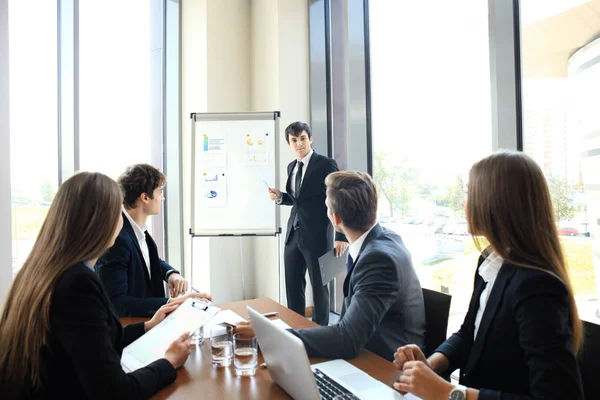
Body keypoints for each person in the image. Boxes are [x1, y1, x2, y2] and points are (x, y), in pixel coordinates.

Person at [393, 152, 584, 400]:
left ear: (497, 202)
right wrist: (430, 365)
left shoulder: (537, 286)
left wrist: (450, 393)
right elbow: (468, 334)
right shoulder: (490, 261)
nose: (464, 203)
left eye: (470, 193)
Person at [0, 172, 192, 399]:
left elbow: (93, 341)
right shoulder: (78, 282)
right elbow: (115, 391)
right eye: (116, 212)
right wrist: (169, 362)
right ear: (101, 221)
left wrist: (147, 326)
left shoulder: (42, 269)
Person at [273, 170, 426, 361]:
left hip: (387, 367)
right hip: (366, 349)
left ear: (335, 219)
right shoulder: (385, 238)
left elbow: (348, 339)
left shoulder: (378, 260)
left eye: (327, 207)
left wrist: (275, 337)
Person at [96, 164, 210, 317]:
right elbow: (117, 303)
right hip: (131, 330)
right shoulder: (117, 237)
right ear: (145, 197)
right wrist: (174, 303)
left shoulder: (136, 228)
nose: (162, 198)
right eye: (160, 192)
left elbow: (148, 259)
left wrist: (171, 274)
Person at [268, 121, 348, 326]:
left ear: (310, 139)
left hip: (318, 235)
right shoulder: (291, 167)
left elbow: (339, 197)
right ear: (289, 143)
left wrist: (341, 236)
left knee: (320, 287)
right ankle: (297, 327)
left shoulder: (325, 164)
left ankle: (321, 330)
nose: (299, 144)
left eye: (302, 138)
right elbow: (299, 200)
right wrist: (280, 197)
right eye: (294, 140)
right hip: (293, 235)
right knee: (293, 286)